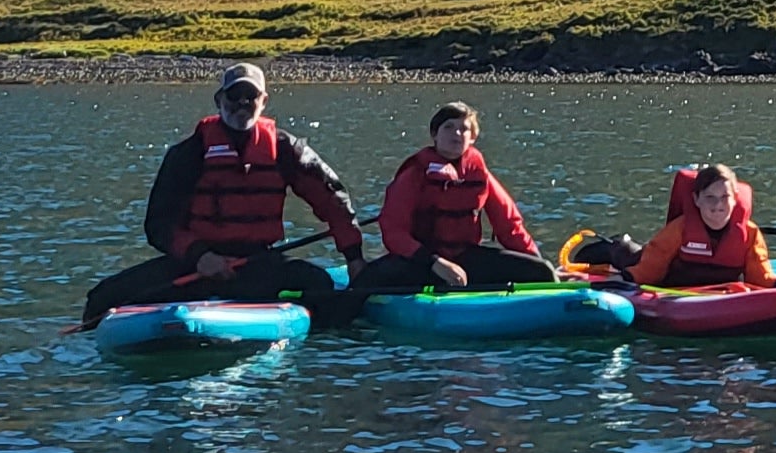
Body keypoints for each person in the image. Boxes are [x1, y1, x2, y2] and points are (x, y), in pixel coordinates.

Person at [79, 63, 365, 327]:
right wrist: (200, 256)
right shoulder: (189, 153)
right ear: (219, 100)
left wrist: (353, 257)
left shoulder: (286, 150)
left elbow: (332, 200)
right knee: (101, 299)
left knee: (322, 289)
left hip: (256, 266)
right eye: (234, 96)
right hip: (196, 267)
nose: (242, 104)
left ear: (263, 101)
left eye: (250, 97)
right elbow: (159, 224)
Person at [356, 101, 557, 294]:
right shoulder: (414, 174)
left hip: (465, 259)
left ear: (473, 138)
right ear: (435, 134)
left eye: (464, 128)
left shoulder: (479, 173)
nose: (457, 134)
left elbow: (510, 226)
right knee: (363, 283)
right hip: (418, 261)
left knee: (542, 271)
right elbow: (394, 232)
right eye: (449, 127)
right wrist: (434, 262)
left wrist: (534, 258)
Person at [628, 164, 772, 288]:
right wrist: (623, 279)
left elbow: (761, 277)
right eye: (710, 197)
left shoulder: (750, 234)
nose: (718, 205)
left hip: (721, 296)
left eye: (725, 197)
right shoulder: (679, 229)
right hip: (674, 287)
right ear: (696, 199)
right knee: (627, 253)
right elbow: (649, 271)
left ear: (735, 199)